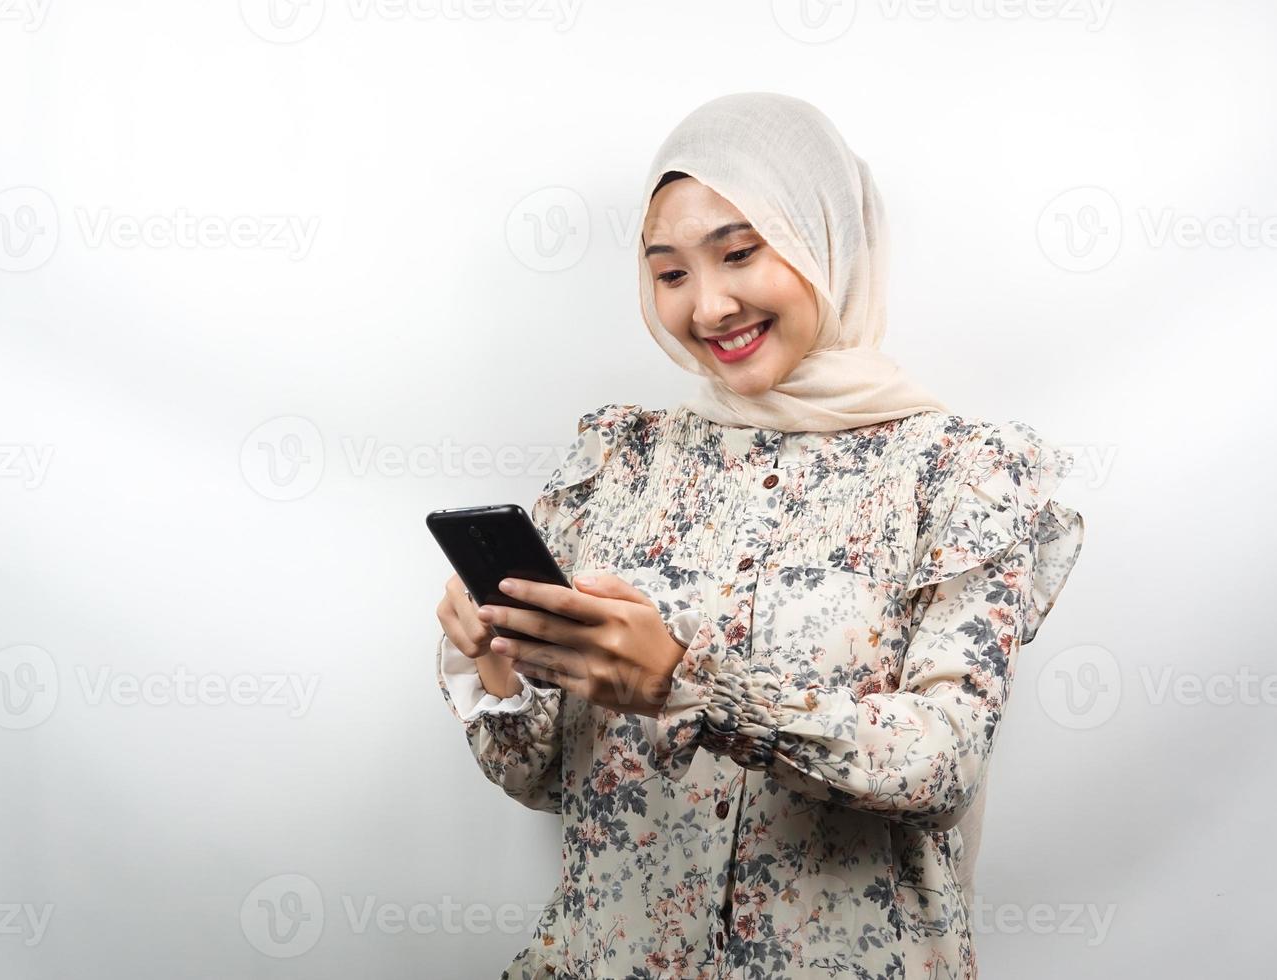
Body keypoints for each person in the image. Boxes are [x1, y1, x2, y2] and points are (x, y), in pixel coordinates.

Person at [433, 91, 1085, 980]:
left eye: (740, 253)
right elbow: (541, 781)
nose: (707, 308)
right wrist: (499, 660)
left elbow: (939, 768)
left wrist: (684, 682)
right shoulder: (621, 463)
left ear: (825, 239)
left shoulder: (962, 474)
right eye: (669, 274)